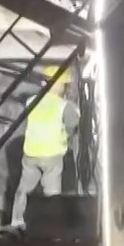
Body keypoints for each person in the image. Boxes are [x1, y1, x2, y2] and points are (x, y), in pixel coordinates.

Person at [14, 65, 78, 226]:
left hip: (31, 153)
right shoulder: (63, 105)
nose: (65, 88)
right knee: (52, 193)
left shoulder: (31, 101)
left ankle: (17, 222)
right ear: (59, 85)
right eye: (64, 85)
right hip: (52, 155)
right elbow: (73, 124)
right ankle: (52, 225)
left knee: (24, 190)